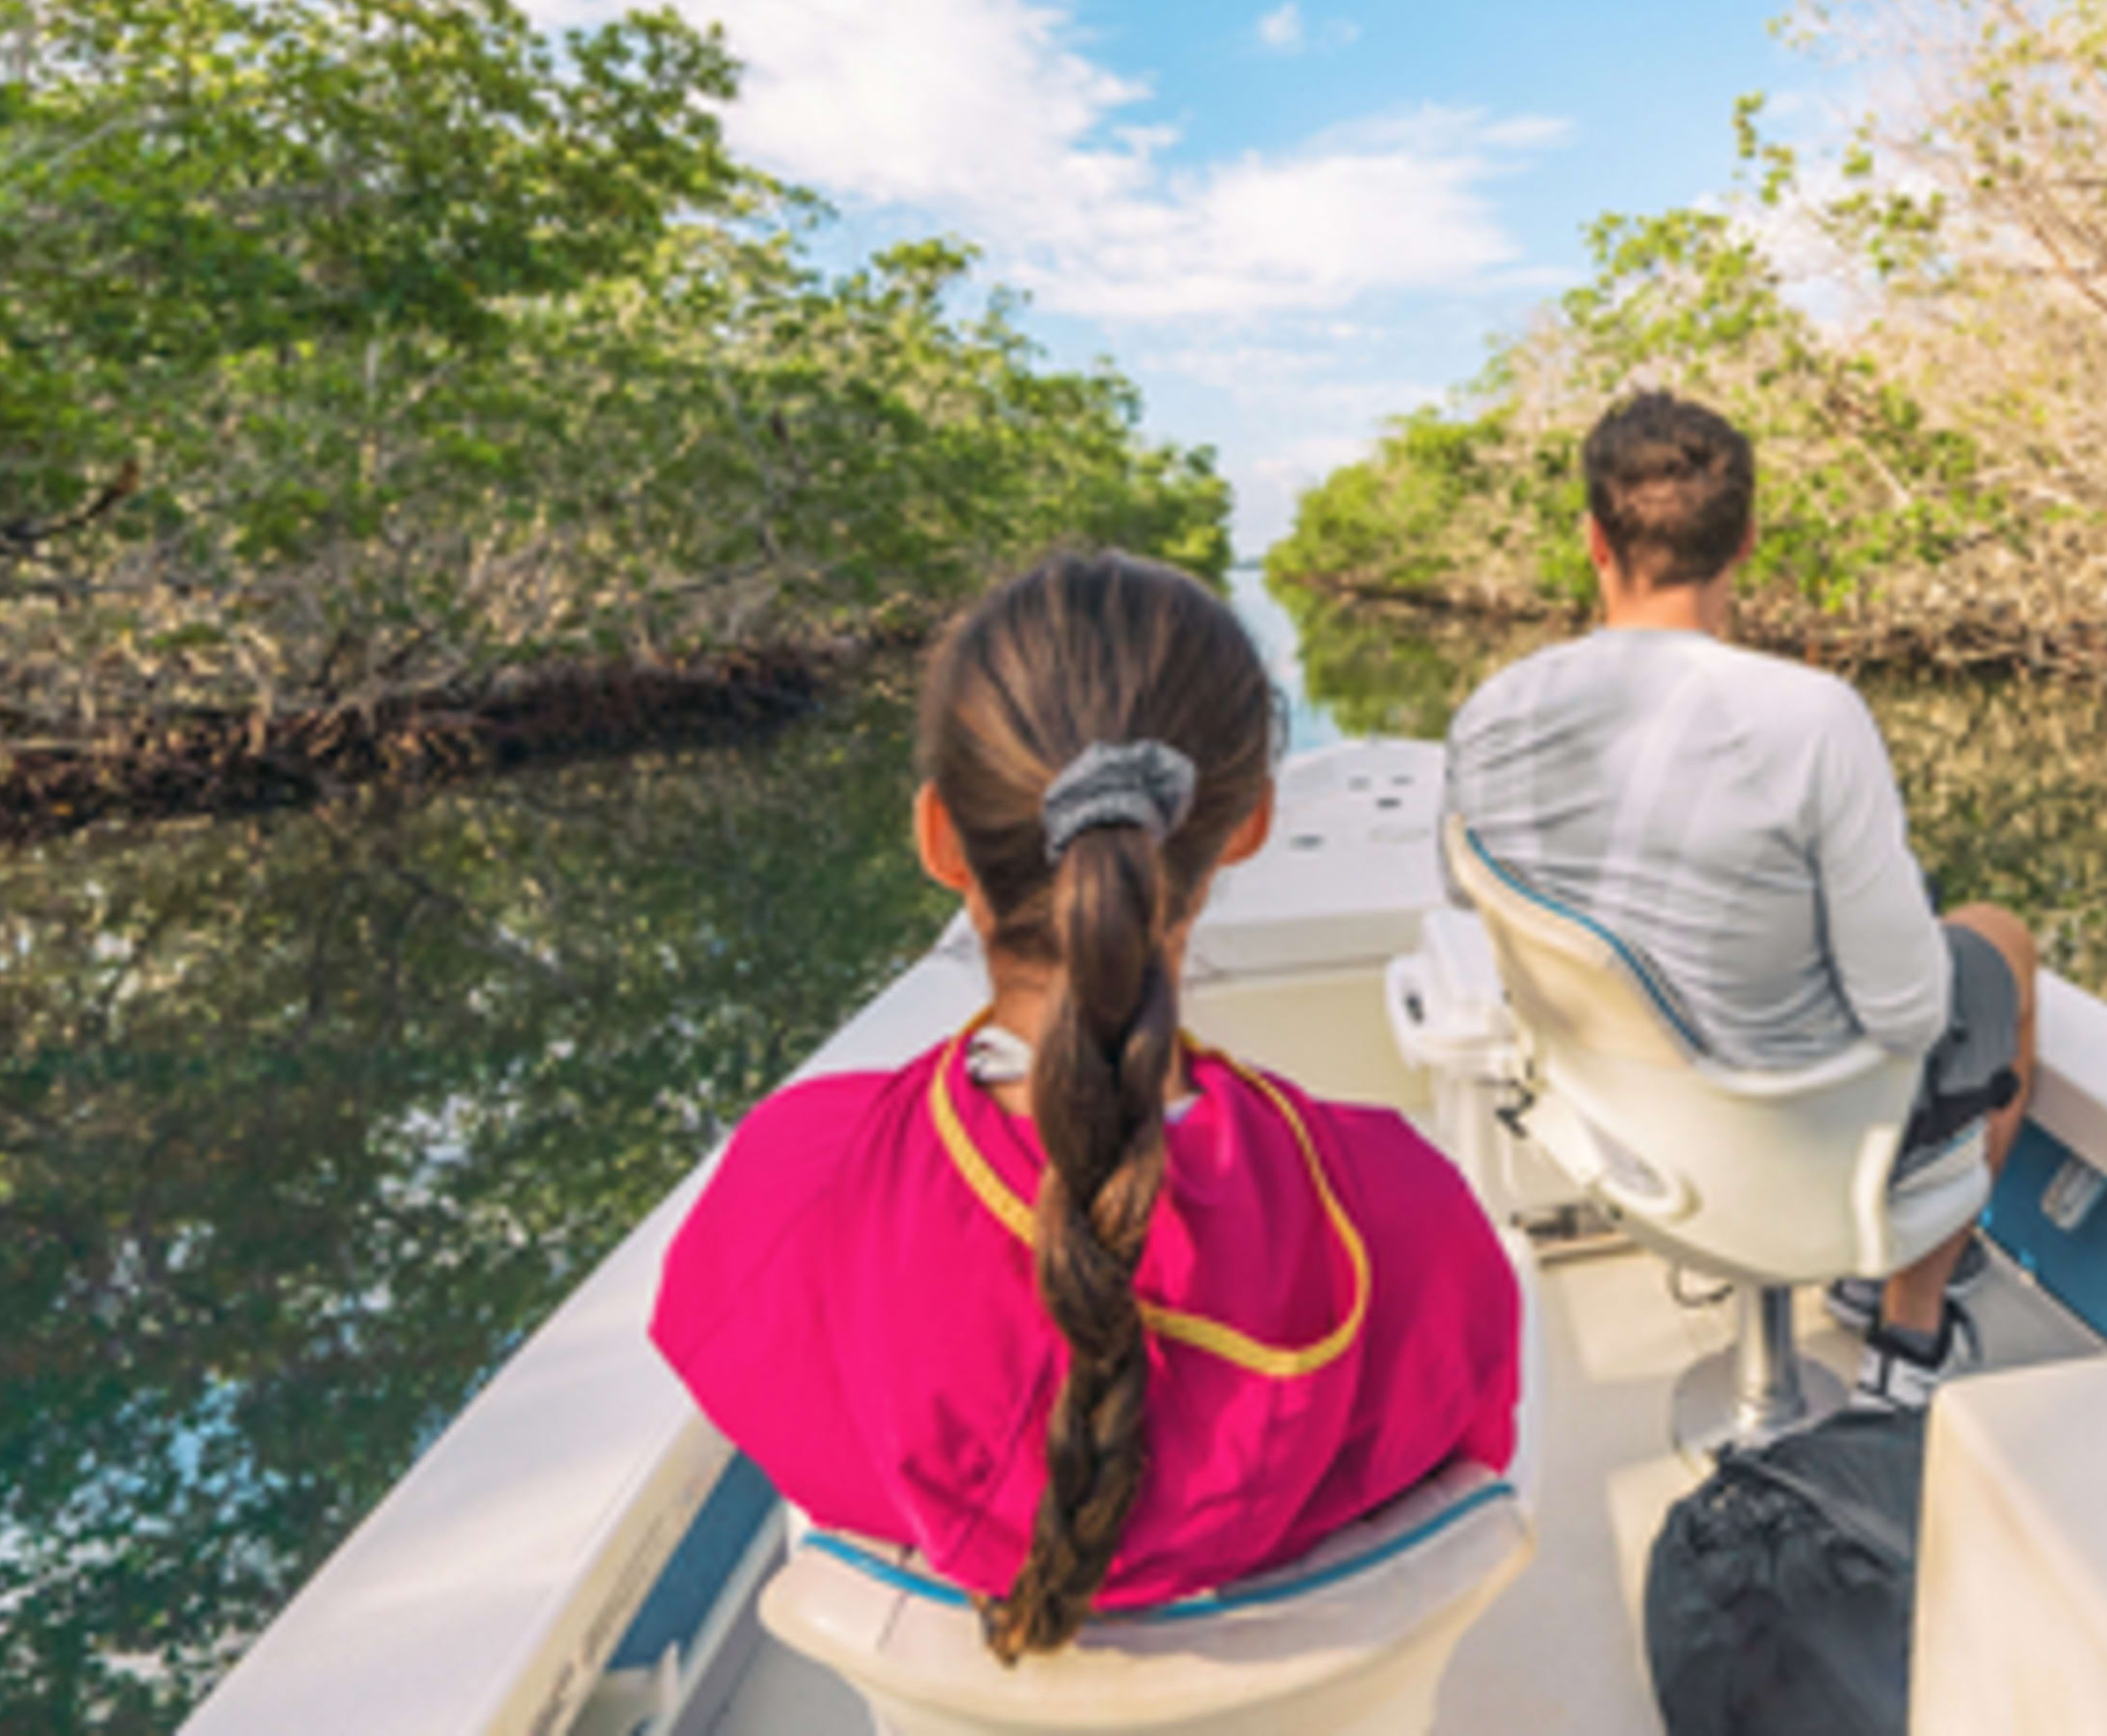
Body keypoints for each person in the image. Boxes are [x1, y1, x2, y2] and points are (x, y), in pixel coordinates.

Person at [652, 552, 1522, 1661]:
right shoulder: (1403, 1215)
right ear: (1249, 823)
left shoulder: (796, 1185)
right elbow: (1465, 1460)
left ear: (938, 839)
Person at [1445, 390, 2039, 1409]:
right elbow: (1904, 1012)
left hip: (1618, 1140)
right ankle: (1906, 1326)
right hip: (1800, 1151)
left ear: (1593, 538)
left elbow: (1470, 923)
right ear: (1748, 539)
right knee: (1998, 940)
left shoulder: (1490, 714)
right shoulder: (1811, 716)